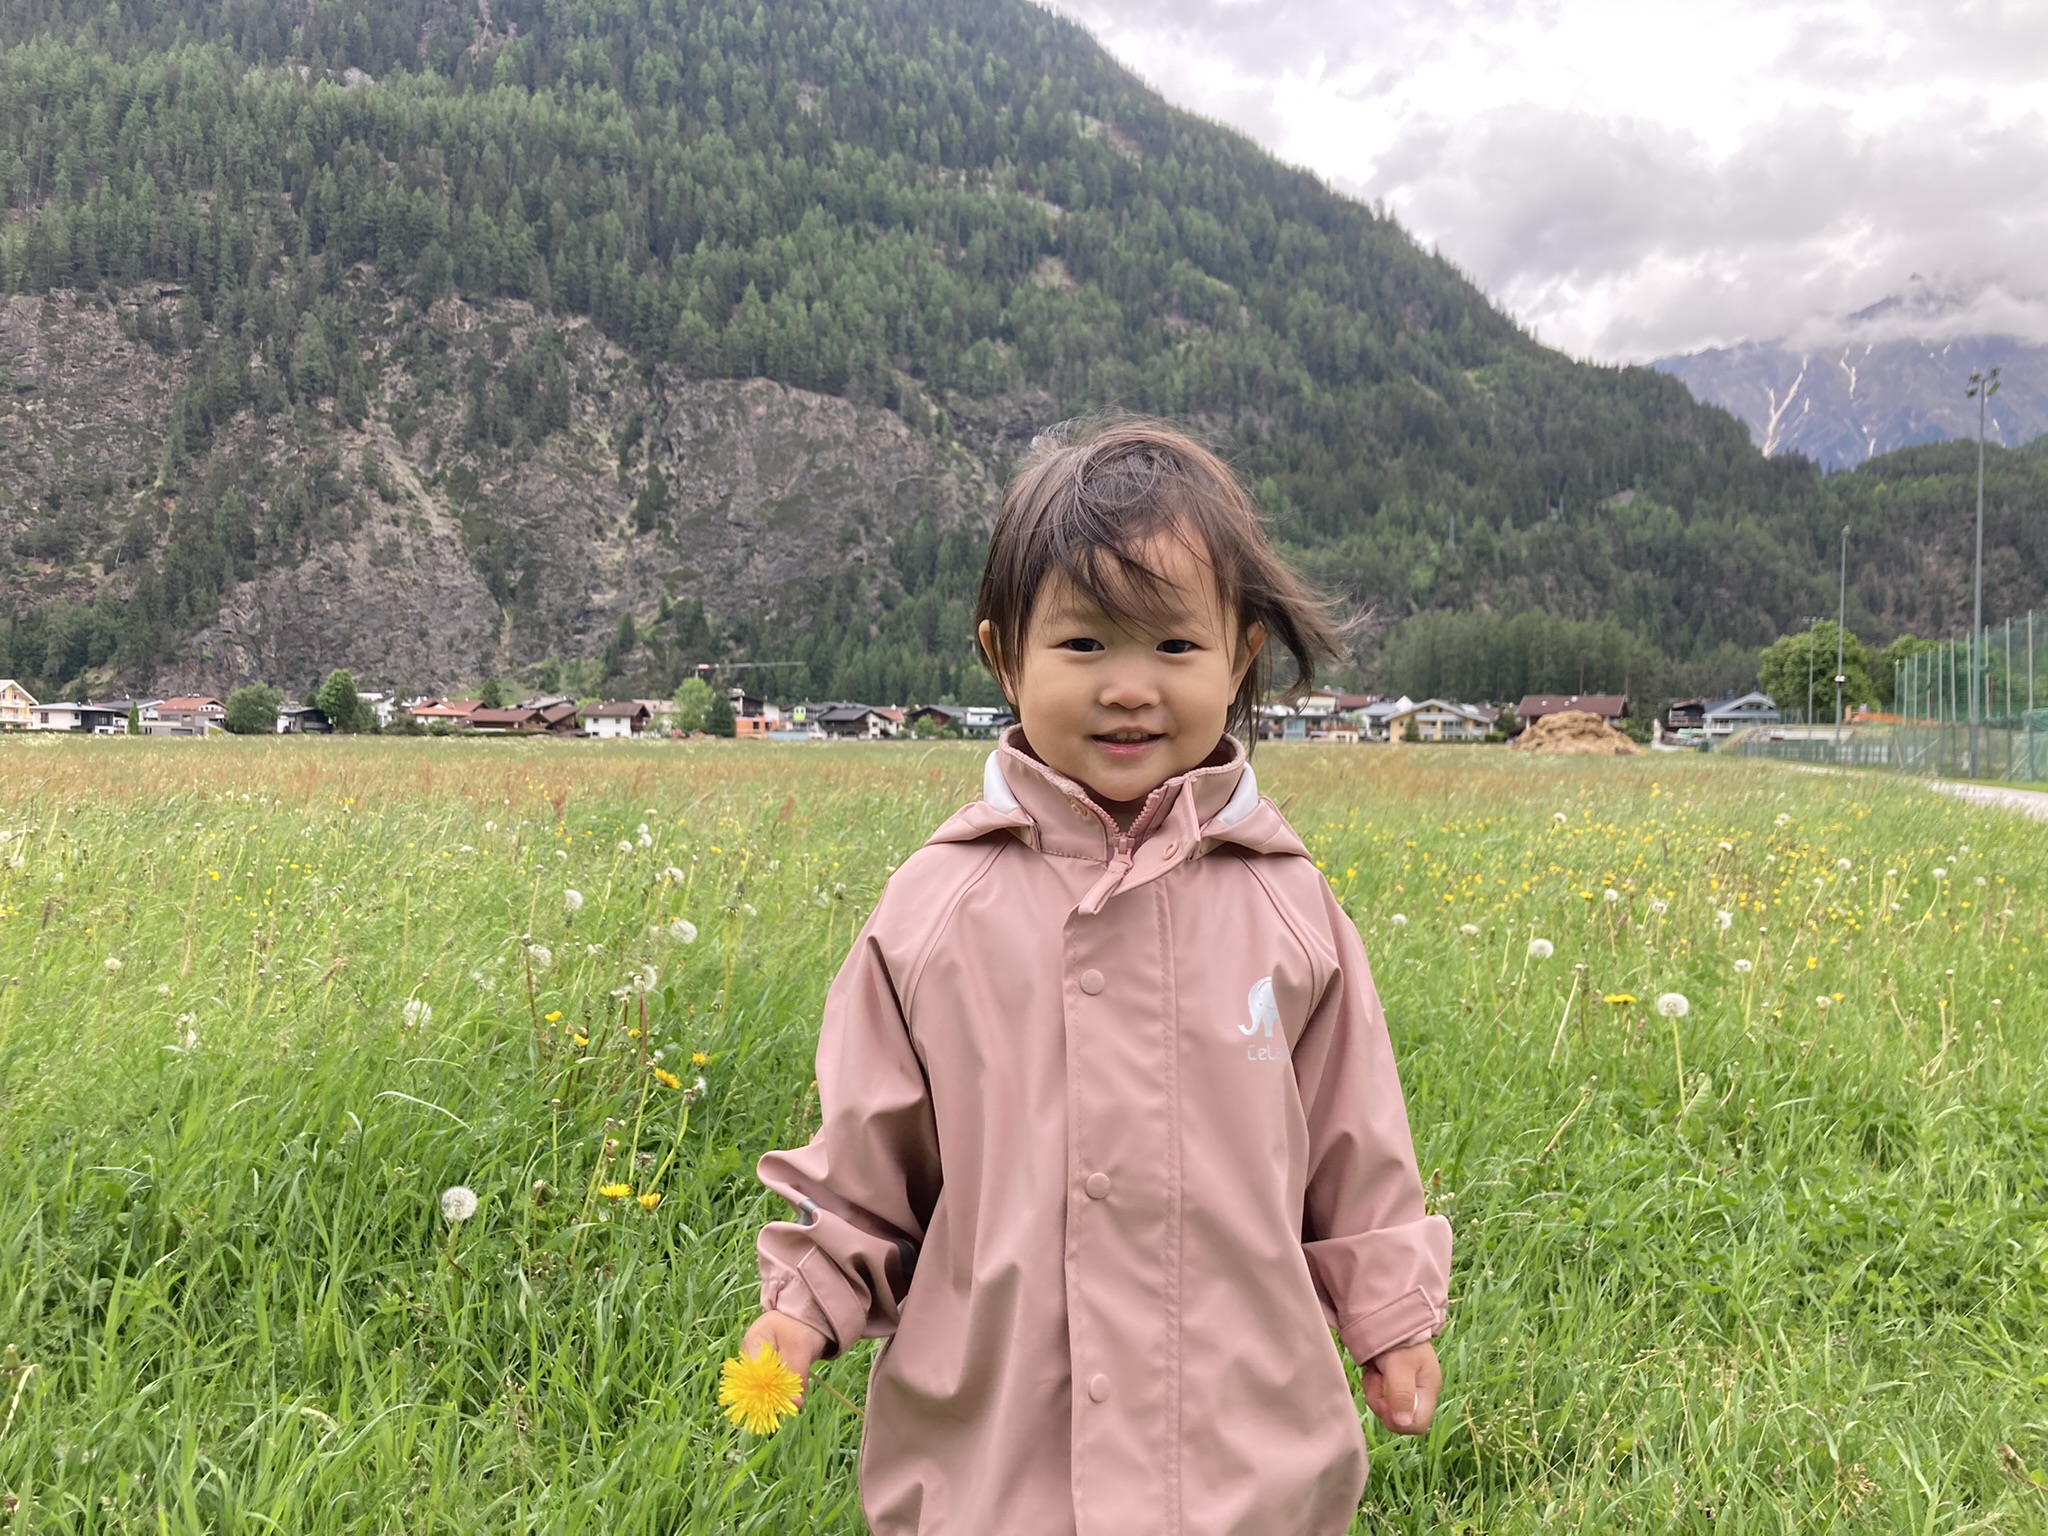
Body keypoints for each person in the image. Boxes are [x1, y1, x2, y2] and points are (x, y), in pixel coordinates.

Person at [739, 420, 1452, 1535]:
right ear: (1003, 658)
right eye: (1082, 644)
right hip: (994, 1450)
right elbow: (866, 1158)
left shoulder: (1287, 903)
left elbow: (1353, 1144)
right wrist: (806, 1300)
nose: (1129, 687)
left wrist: (1389, 1314)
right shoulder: (935, 908)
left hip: (1240, 1443)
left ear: (1239, 659)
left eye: (1173, 645)